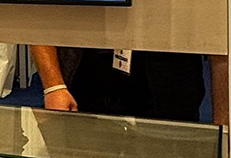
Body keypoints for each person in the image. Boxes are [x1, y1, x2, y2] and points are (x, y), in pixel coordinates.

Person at [30, 45, 228, 125]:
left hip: (170, 68)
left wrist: (224, 128)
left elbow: (221, 35)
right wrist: (53, 85)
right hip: (89, 67)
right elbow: (42, 8)